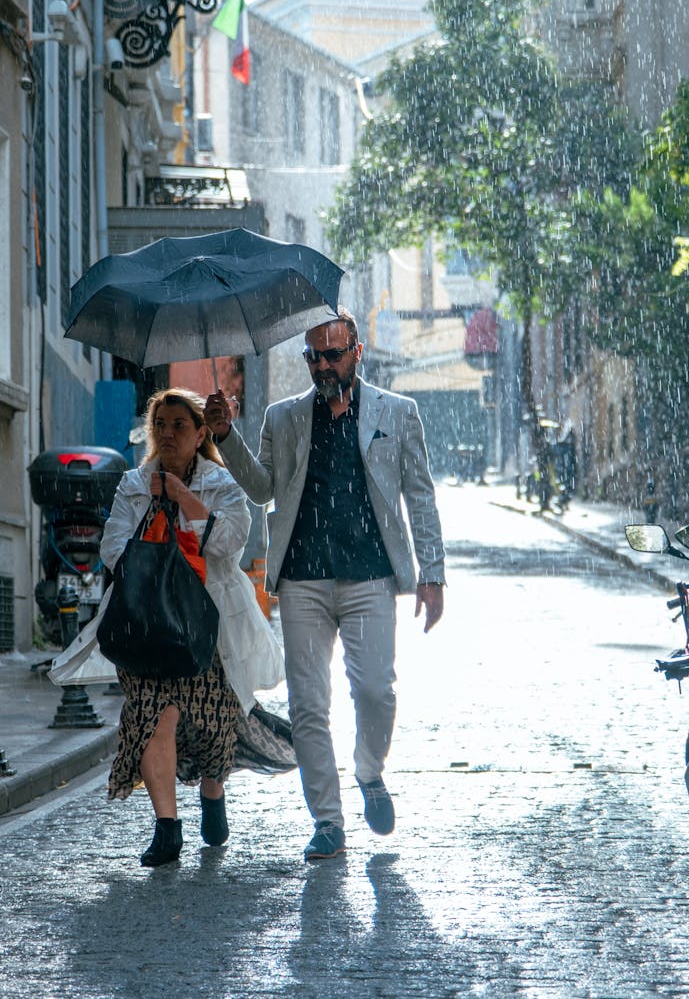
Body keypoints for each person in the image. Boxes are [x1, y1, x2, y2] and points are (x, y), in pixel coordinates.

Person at [204, 309, 445, 861]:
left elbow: (421, 496)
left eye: (332, 354)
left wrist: (431, 575)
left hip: (370, 576)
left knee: (376, 691)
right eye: (312, 355)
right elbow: (262, 489)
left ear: (357, 353)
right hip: (303, 580)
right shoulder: (283, 418)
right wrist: (225, 435)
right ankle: (328, 821)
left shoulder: (397, 412)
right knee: (309, 705)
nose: (321, 365)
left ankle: (369, 772)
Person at [51, 388, 285, 867]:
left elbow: (232, 542)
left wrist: (182, 501)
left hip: (206, 624)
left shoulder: (220, 481)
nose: (169, 433)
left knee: (215, 724)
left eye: (180, 425)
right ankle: (166, 827)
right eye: (162, 424)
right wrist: (154, 539)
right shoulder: (136, 482)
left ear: (201, 433)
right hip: (146, 623)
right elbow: (113, 546)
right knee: (156, 719)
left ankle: (213, 791)